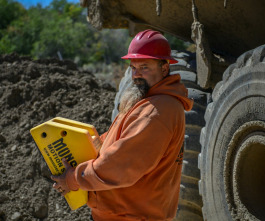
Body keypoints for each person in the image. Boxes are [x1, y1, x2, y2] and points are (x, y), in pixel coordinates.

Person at [51, 29, 193, 221]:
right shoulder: (150, 103)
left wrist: (73, 178)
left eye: (145, 67)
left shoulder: (155, 111)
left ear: (164, 68)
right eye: (133, 68)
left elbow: (120, 165)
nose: (137, 75)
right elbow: (121, 144)